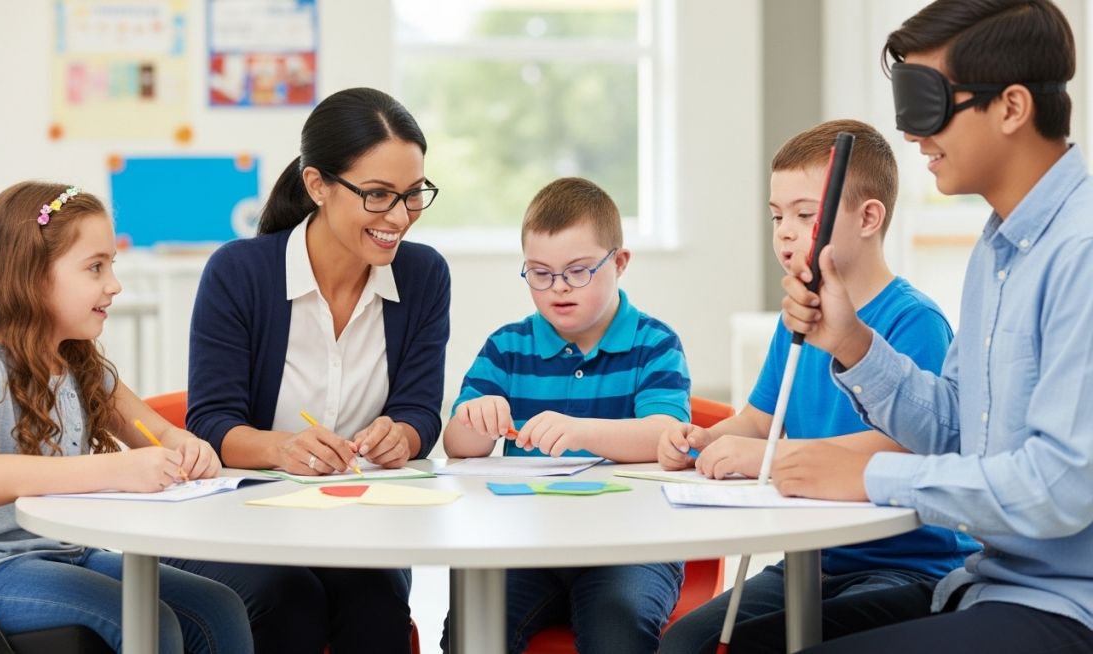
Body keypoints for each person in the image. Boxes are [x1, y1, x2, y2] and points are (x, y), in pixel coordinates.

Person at [755, 1, 1093, 652]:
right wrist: (850, 342)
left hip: (1067, 605)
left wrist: (868, 475)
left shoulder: (1079, 253)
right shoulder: (998, 251)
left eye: (928, 104)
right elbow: (957, 430)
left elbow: (1059, 485)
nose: (912, 136)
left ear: (1012, 107)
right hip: (989, 586)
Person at [656, 119, 979, 654]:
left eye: (805, 215)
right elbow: (760, 418)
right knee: (686, 643)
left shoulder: (913, 320)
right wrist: (705, 441)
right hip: (811, 561)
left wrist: (764, 454)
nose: (784, 231)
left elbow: (904, 447)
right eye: (777, 216)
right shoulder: (796, 318)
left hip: (906, 567)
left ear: (869, 217)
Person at [0, 181, 252, 654]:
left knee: (219, 606)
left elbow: (157, 432)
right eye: (95, 267)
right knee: (149, 623)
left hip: (64, 551)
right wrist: (116, 469)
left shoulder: (79, 363)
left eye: (112, 265)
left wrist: (186, 446)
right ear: (32, 275)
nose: (114, 284)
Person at [168, 87, 449, 654]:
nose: (399, 217)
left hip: (359, 524)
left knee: (375, 604)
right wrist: (282, 449)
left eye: (413, 194)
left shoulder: (424, 276)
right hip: (244, 522)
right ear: (318, 185)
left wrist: (404, 435)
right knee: (287, 600)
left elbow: (420, 410)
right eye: (377, 195)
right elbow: (212, 424)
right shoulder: (239, 273)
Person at [443, 177, 691, 653]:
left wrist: (581, 430)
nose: (558, 288)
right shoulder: (508, 347)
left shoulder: (653, 344)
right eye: (540, 273)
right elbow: (459, 447)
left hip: (632, 547)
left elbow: (665, 436)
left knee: (616, 630)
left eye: (578, 271)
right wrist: (475, 417)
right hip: (526, 545)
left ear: (619, 263)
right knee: (469, 633)